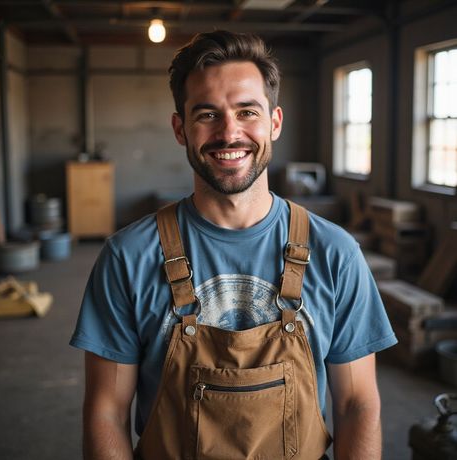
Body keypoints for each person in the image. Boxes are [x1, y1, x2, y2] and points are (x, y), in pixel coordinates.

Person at [70, 30, 397, 460]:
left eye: (247, 112)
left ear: (274, 123)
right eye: (207, 114)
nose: (229, 133)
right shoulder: (127, 256)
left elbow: (357, 406)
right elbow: (106, 413)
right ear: (180, 128)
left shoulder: (335, 253)